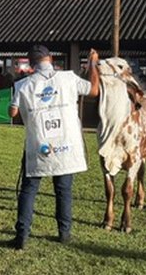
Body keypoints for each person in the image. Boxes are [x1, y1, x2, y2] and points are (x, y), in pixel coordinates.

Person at [8, 45, 99, 250]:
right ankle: (64, 233)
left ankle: (22, 235)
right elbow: (94, 90)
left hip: (38, 144)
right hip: (66, 145)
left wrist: (16, 105)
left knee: (29, 190)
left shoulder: (23, 85)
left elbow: (13, 113)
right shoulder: (68, 78)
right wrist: (92, 64)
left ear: (31, 64)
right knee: (63, 190)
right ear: (50, 58)